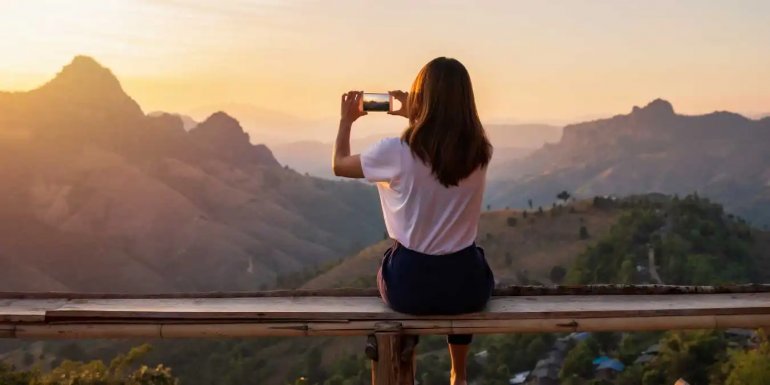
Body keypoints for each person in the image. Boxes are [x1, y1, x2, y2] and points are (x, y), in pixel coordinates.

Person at [332, 57, 494, 385]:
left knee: (394, 261)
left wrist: (346, 121)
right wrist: (417, 116)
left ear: (422, 97)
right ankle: (458, 373)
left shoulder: (395, 151)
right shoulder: (479, 151)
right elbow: (439, 154)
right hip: (467, 286)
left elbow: (339, 165)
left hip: (412, 287)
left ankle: (408, 368)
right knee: (469, 255)